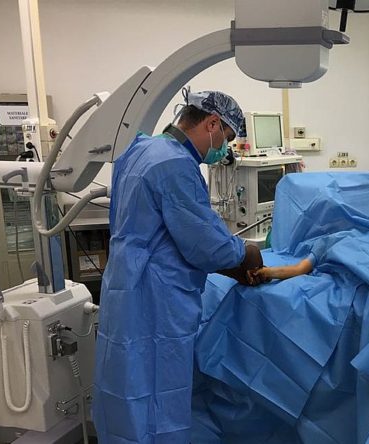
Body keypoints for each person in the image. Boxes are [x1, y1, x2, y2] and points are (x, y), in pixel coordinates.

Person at [93, 90, 268, 443]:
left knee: (126, 378)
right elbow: (204, 242)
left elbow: (169, 230)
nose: (224, 149)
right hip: (155, 294)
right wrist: (244, 254)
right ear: (212, 123)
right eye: (226, 138)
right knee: (158, 386)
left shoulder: (139, 149)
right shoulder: (175, 164)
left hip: (124, 283)